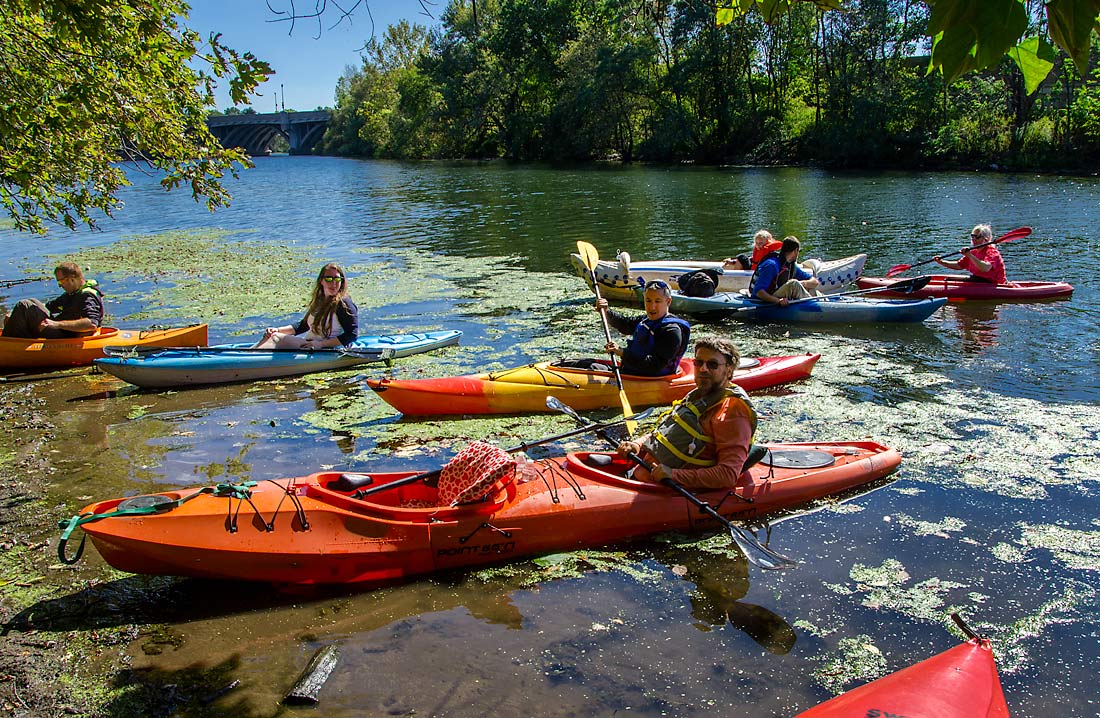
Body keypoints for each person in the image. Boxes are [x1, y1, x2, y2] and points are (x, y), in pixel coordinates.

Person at [615, 336, 757, 490]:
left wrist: (674, 475)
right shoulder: (698, 396)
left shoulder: (732, 412)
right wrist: (638, 444)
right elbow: (667, 432)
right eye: (699, 362)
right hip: (642, 476)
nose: (703, 369)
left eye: (712, 364)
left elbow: (728, 475)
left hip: (669, 492)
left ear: (729, 370)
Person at [595, 280, 690, 376]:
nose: (652, 307)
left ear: (668, 301)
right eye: (648, 300)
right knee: (583, 363)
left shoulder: (671, 331)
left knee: (592, 368)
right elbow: (625, 324)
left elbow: (654, 366)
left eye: (657, 301)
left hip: (649, 378)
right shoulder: (646, 320)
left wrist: (622, 353)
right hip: (631, 371)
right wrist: (606, 311)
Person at [252, 263, 358, 350]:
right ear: (321, 281)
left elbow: (351, 335)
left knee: (275, 338)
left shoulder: (344, 304)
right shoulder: (319, 301)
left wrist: (321, 344)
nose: (334, 283)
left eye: (337, 279)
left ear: (342, 281)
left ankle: (249, 359)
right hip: (309, 344)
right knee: (273, 335)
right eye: (329, 279)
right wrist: (277, 330)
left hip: (326, 349)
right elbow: (303, 326)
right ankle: (250, 355)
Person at [0, 262, 103, 339]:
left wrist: (56, 324)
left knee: (24, 305)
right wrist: (14, 315)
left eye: (61, 281)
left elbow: (91, 324)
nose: (60, 285)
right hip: (60, 330)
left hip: (66, 335)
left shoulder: (87, 296)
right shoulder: (72, 293)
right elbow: (49, 307)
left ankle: (8, 343)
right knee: (31, 303)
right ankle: (12, 338)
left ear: (72, 278)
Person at [749, 236, 820, 306]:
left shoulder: (791, 265)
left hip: (776, 295)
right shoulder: (771, 265)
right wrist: (778, 301)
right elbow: (759, 292)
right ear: (795, 251)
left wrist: (804, 283)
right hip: (762, 300)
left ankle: (821, 302)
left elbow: (815, 282)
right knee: (794, 284)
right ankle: (815, 306)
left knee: (810, 287)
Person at [933, 224, 1007, 284]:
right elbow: (959, 265)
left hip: (993, 283)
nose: (973, 239)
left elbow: (985, 268)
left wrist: (970, 256)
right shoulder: (973, 251)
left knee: (950, 281)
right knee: (948, 279)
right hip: (979, 280)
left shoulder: (992, 252)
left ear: (986, 239)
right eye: (972, 236)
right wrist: (941, 262)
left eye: (977, 237)